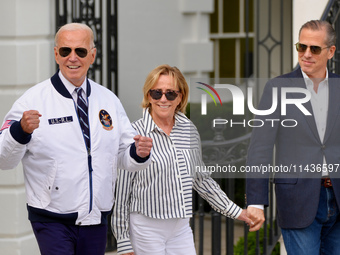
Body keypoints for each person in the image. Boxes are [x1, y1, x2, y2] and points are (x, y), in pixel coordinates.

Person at [0, 23, 152, 255]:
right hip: (51, 218)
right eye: (65, 51)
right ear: (56, 54)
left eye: (80, 51)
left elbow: (122, 156)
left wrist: (138, 153)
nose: (73, 58)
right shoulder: (31, 101)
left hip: (96, 218)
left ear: (92, 55)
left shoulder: (108, 100)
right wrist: (20, 131)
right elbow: (4, 160)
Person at [112, 64, 253, 255]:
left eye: (170, 93)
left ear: (180, 97)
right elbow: (121, 193)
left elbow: (201, 180)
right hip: (146, 227)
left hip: (180, 227)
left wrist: (237, 212)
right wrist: (123, 241)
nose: (163, 99)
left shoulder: (189, 131)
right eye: (157, 93)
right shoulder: (134, 133)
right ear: (148, 96)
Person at [246, 20, 340, 254]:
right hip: (298, 200)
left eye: (314, 49)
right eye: (301, 47)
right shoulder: (277, 88)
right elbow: (260, 147)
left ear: (331, 51)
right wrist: (256, 202)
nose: (306, 54)